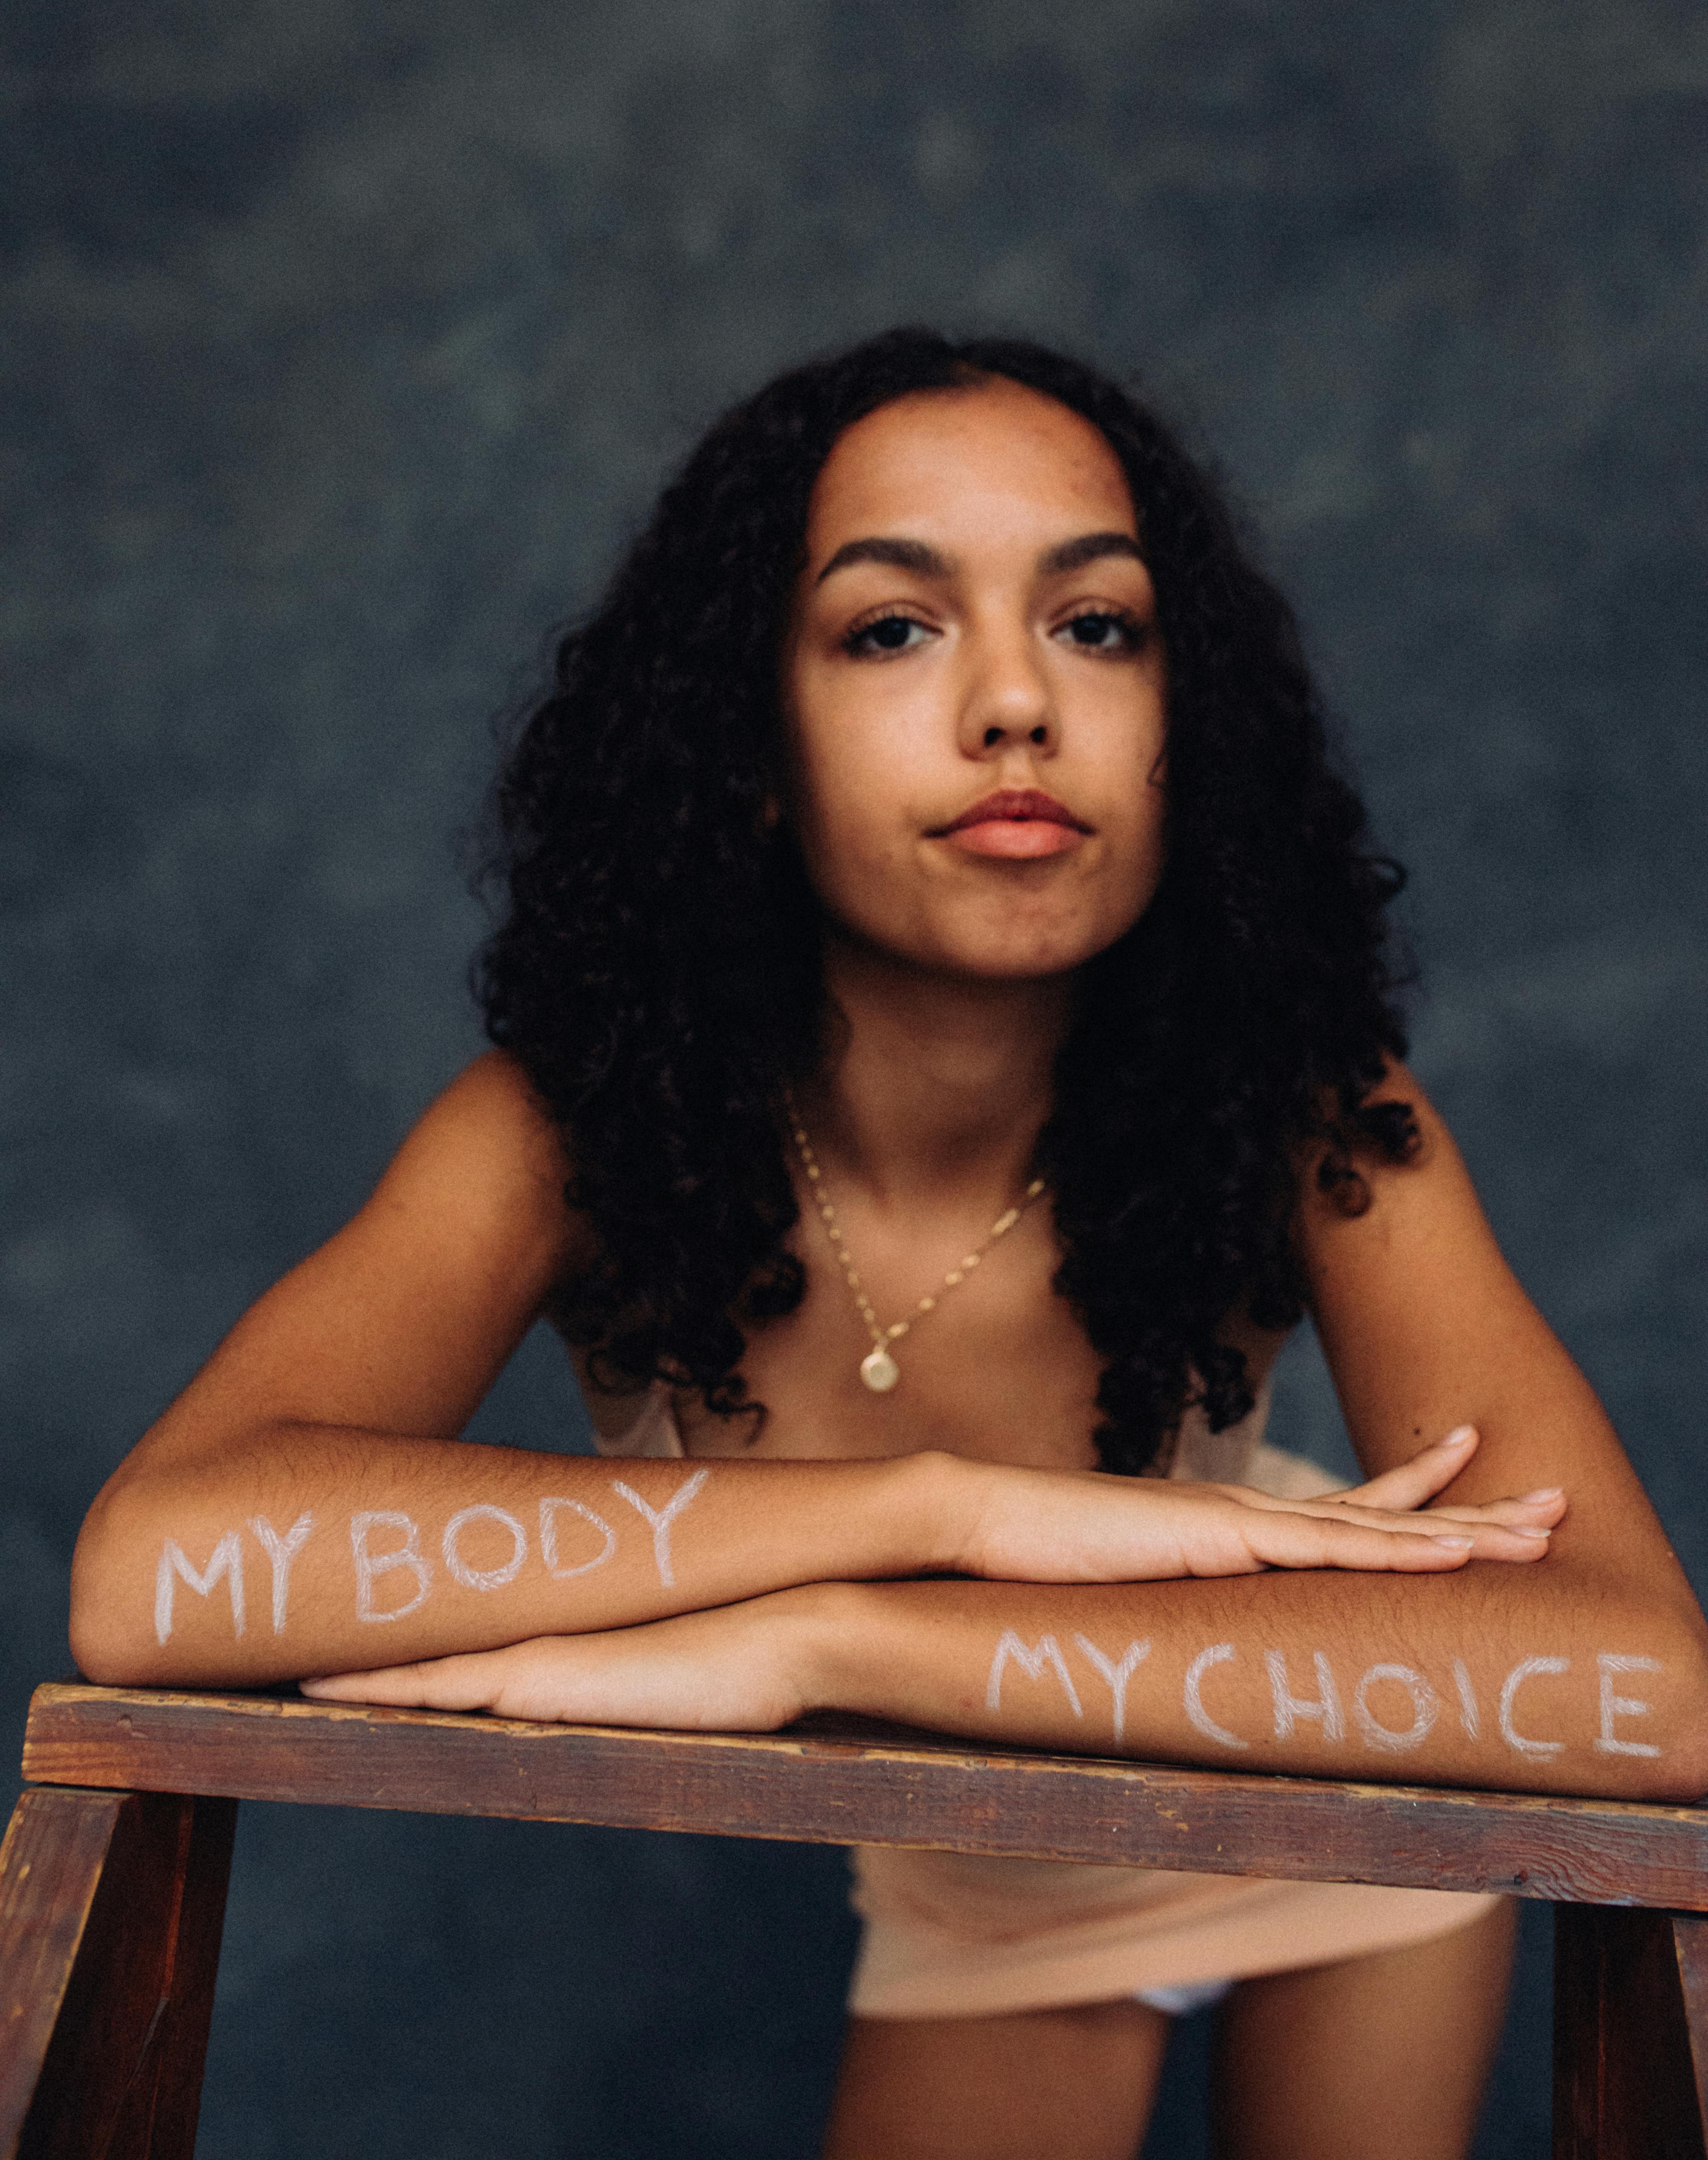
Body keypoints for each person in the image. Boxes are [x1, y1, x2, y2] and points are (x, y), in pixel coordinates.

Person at [71, 329, 1708, 2160]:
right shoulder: (567, 1129)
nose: (1016, 703)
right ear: (748, 746)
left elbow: (1655, 1692)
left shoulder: (1309, 1111)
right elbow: (152, 1573)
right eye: (891, 628)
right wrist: (945, 1513)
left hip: (1299, 1736)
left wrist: (838, 1637)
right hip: (984, 1869)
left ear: (1195, 732)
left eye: (1097, 626)